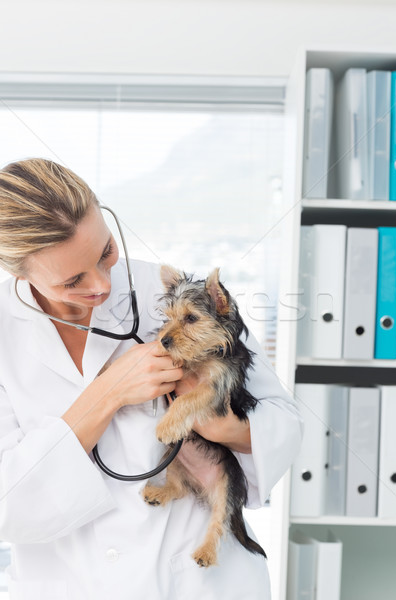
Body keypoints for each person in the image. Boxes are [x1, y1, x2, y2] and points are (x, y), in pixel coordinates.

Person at [0, 158, 302, 600]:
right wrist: (109, 392)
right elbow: (9, 501)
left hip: (200, 582)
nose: (102, 285)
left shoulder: (168, 291)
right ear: (19, 273)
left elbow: (285, 422)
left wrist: (222, 425)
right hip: (67, 584)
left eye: (105, 252)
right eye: (72, 280)